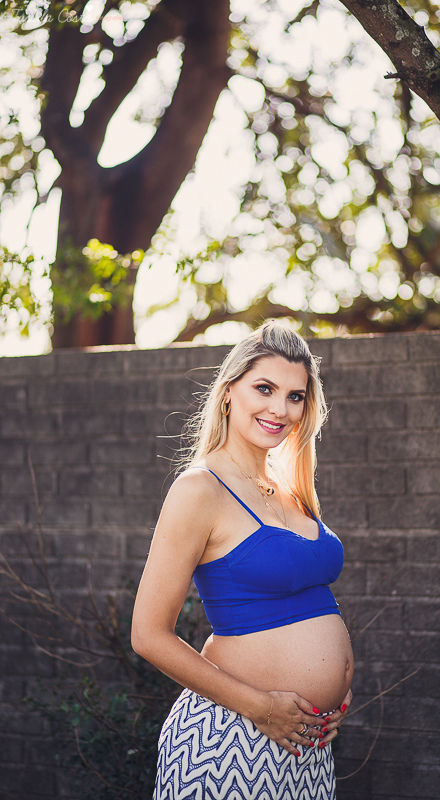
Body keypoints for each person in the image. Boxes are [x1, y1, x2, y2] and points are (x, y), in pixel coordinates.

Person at [131, 320, 354, 800]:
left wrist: (335, 687)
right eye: (264, 389)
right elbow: (148, 635)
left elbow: (308, 604)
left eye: (295, 396)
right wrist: (261, 706)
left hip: (307, 744)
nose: (280, 409)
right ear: (229, 391)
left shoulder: (289, 488)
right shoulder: (199, 489)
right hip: (232, 738)